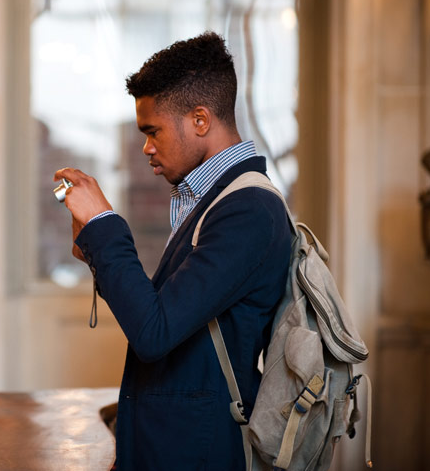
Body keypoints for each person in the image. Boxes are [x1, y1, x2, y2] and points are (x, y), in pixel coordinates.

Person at [54, 32, 292, 470]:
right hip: (178, 442)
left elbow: (154, 333)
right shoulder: (213, 199)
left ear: (200, 119)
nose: (146, 147)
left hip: (202, 450)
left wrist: (105, 226)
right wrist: (96, 251)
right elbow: (161, 313)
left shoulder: (249, 209)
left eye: (153, 131)